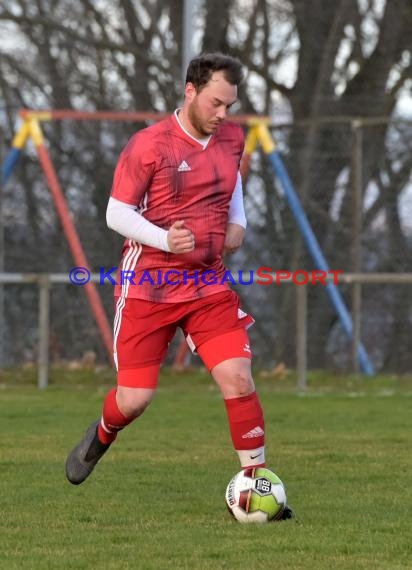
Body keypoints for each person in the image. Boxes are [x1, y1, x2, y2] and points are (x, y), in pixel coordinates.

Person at [65, 53, 293, 520]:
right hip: (149, 285)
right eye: (215, 103)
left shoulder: (230, 137)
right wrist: (163, 237)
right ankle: (104, 431)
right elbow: (116, 213)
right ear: (190, 91)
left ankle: (257, 485)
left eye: (230, 105)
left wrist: (237, 223)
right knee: (135, 400)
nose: (223, 114)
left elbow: (232, 188)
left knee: (238, 376)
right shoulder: (149, 146)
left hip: (207, 284)